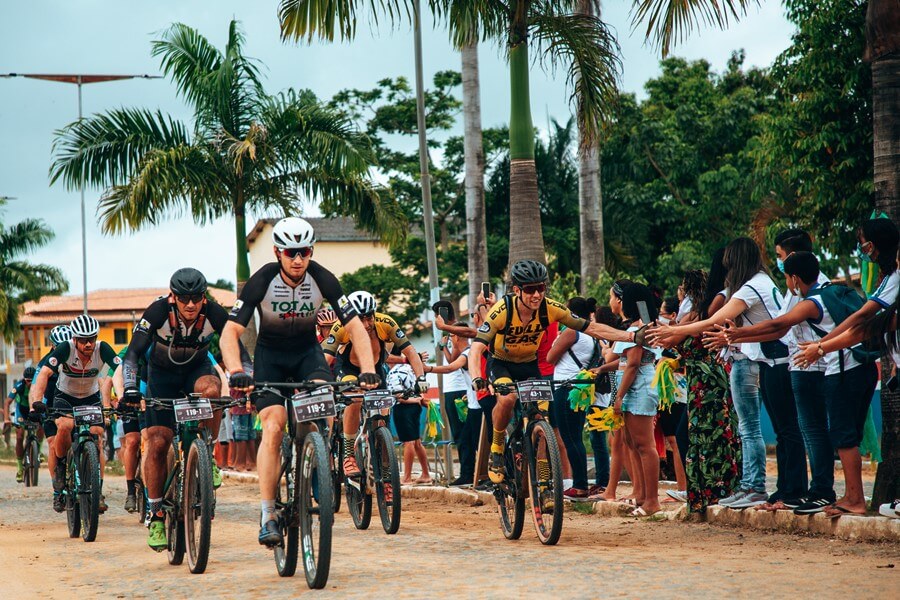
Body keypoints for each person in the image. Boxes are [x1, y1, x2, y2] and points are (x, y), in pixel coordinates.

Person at [220, 217, 380, 547]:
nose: (297, 260)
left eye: (304, 251)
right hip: (271, 359)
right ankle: (267, 514)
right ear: (278, 252)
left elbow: (355, 327)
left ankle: (316, 461)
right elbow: (230, 332)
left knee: (319, 407)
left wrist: (368, 368)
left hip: (308, 355)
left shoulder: (322, 278)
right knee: (275, 426)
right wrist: (236, 370)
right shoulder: (261, 280)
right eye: (291, 252)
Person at [651, 237, 808, 509]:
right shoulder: (762, 282)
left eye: (729, 264)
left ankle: (761, 487)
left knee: (761, 429)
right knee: (777, 430)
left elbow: (711, 321)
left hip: (774, 358)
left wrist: (672, 331)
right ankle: (773, 488)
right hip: (769, 358)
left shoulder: (750, 287)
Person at [723, 252, 878, 516]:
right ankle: (851, 496)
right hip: (859, 368)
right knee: (845, 435)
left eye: (786, 276)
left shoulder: (811, 301)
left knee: (843, 436)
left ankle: (855, 499)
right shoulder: (831, 292)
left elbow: (779, 324)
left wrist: (738, 333)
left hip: (842, 369)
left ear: (795, 278)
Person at [467, 260, 635, 495]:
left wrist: (630, 337)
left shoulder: (550, 308)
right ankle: (497, 446)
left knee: (541, 420)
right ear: (517, 290)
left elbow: (591, 328)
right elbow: (476, 349)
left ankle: (544, 484)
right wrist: (476, 378)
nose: (536, 294)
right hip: (501, 364)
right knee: (507, 399)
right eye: (529, 289)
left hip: (529, 365)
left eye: (541, 288)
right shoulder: (501, 311)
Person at [121, 267, 247, 550]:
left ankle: (207, 453)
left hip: (196, 372)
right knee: (157, 442)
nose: (190, 304)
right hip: (161, 378)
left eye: (196, 297)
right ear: (172, 296)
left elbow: (239, 348)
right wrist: (130, 387)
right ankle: (155, 514)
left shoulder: (214, 313)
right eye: (184, 298)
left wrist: (246, 372)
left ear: (204, 297)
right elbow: (132, 355)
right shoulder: (156, 313)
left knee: (212, 391)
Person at [322, 290, 428, 479]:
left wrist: (421, 379)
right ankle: (348, 454)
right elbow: (326, 358)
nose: (366, 324)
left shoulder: (385, 323)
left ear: (375, 313)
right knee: (354, 399)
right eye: (360, 318)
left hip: (376, 371)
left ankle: (384, 467)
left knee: (383, 417)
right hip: (349, 370)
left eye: (369, 317)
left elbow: (411, 352)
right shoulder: (341, 326)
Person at [29, 315, 121, 514]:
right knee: (65, 426)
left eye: (92, 339)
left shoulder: (102, 348)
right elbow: (44, 374)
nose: (88, 344)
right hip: (65, 397)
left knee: (97, 433)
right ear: (75, 339)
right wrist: (36, 402)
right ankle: (61, 465)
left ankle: (97, 488)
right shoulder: (65, 349)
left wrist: (122, 397)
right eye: (83, 340)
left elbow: (119, 369)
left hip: (90, 396)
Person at [608, 283, 662, 516]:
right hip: (632, 388)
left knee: (644, 445)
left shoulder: (639, 328)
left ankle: (652, 500)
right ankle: (641, 495)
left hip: (638, 388)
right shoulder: (631, 327)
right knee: (632, 443)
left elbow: (632, 364)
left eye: (611, 297)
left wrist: (618, 397)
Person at [545, 296, 601, 499]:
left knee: (569, 437)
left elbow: (550, 357)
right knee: (576, 437)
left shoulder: (572, 331)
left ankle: (579, 486)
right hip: (580, 388)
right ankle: (580, 483)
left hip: (565, 387)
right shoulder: (591, 334)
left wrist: (556, 341)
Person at [34, 325, 73, 490]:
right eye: (59, 346)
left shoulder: (77, 357)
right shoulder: (46, 361)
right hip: (49, 405)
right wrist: (34, 406)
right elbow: (36, 386)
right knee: (52, 444)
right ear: (53, 345)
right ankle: (57, 490)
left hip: (70, 403)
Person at [386, 364, 432, 484]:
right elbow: (422, 389)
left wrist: (411, 399)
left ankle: (406, 477)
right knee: (417, 442)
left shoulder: (395, 371)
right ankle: (425, 474)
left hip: (403, 407)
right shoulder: (412, 368)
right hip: (416, 407)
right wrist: (419, 400)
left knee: (409, 442)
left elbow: (399, 396)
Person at [7, 367, 38, 483]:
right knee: (20, 436)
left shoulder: (40, 384)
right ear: (24, 380)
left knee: (42, 425)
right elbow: (7, 402)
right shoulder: (19, 385)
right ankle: (20, 468)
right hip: (21, 411)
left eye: (32, 380)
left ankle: (37, 451)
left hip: (34, 410)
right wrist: (6, 419)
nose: (29, 383)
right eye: (27, 380)